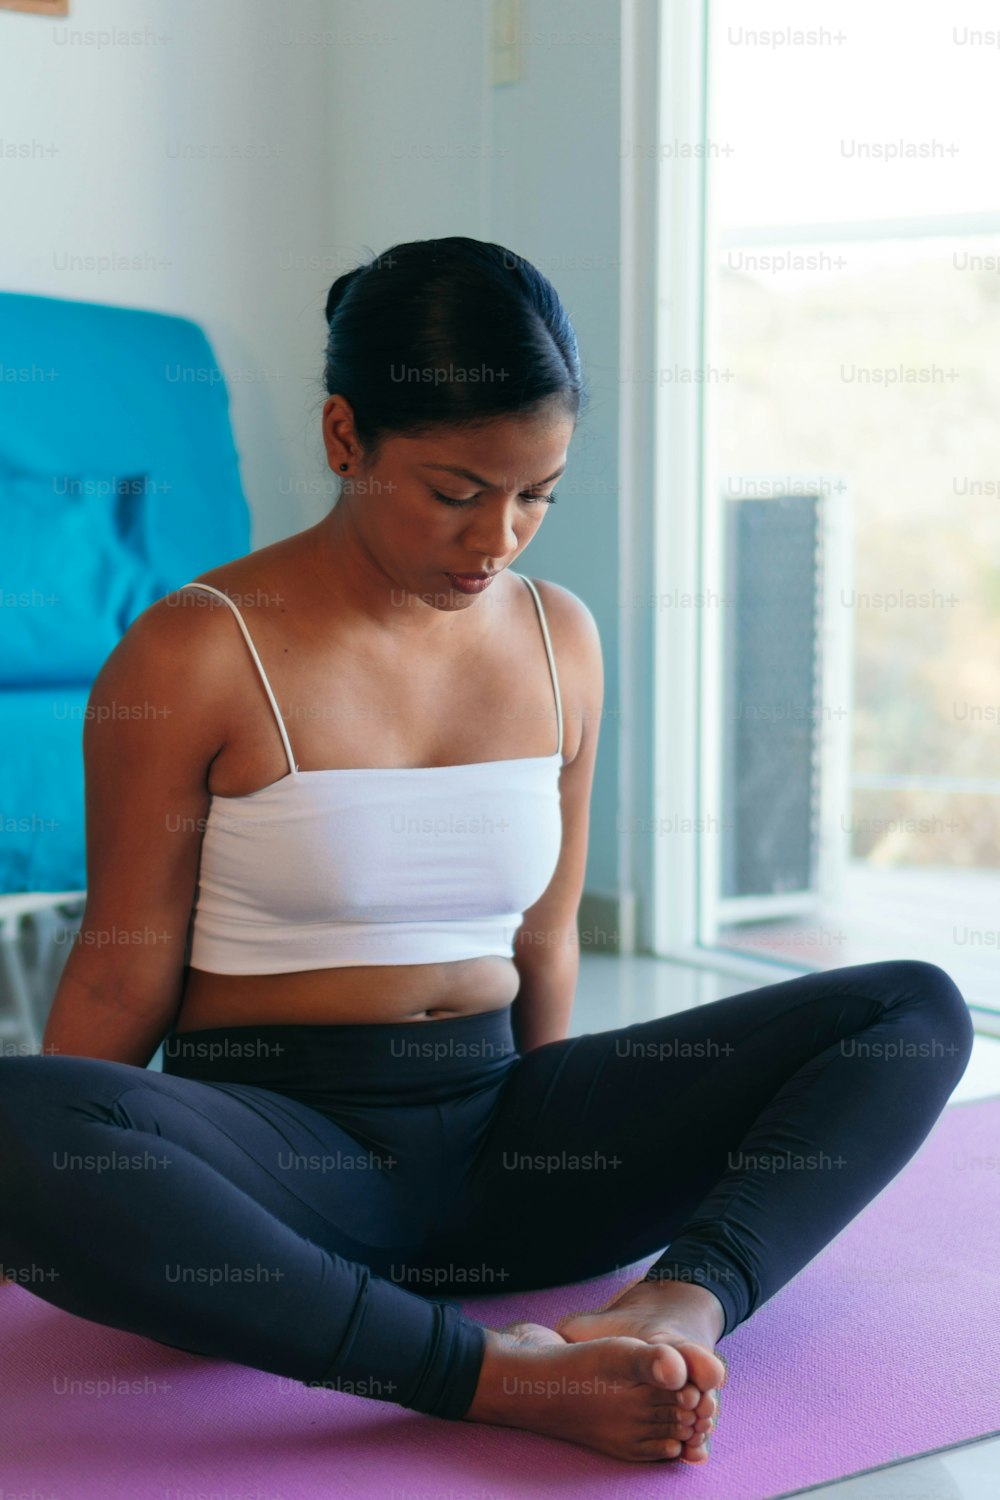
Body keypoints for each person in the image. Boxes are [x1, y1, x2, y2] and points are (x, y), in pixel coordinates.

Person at [0, 237, 973, 1466]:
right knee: (13, 1117)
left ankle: (676, 1307)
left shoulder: (560, 638)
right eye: (456, 492)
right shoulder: (195, 649)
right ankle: (486, 1378)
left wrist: (567, 1137)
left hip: (505, 1147)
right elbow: (119, 966)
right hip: (280, 1167)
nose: (497, 537)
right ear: (345, 436)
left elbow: (543, 935)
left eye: (536, 494)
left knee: (913, 1010)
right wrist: (55, 1197)